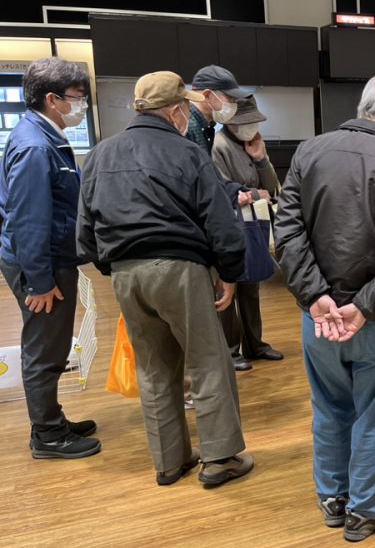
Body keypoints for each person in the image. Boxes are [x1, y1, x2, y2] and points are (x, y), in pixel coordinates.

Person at [77, 71, 254, 488]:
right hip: (179, 268)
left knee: (154, 368)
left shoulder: (100, 154)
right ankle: (220, 459)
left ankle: (170, 461)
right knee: (207, 361)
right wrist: (229, 273)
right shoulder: (187, 152)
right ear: (176, 111)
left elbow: (84, 230)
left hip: (125, 274)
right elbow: (220, 222)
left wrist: (114, 268)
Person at [274, 74, 375, 542]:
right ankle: (367, 509)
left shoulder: (309, 152)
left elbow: (287, 233)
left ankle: (333, 497)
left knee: (329, 407)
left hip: (320, 319)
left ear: (364, 106)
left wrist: (316, 296)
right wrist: (363, 307)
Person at [0, 57, 100, 459]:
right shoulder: (35, 146)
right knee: (45, 350)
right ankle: (48, 435)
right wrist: (40, 281)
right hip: (42, 264)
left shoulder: (45, 135)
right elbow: (28, 219)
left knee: (53, 345)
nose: (82, 105)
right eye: (77, 97)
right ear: (52, 99)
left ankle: (53, 419)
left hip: (50, 258)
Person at [212, 96, 283, 369]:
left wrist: (261, 159)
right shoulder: (218, 145)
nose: (251, 127)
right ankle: (231, 351)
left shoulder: (253, 142)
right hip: (230, 225)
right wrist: (254, 193)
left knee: (251, 285)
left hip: (255, 222)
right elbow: (223, 190)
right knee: (229, 285)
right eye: (246, 122)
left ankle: (255, 344)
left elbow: (272, 188)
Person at [188, 64, 256, 211]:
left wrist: (234, 192)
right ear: (208, 95)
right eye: (230, 98)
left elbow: (210, 179)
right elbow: (194, 186)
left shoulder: (205, 127)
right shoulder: (188, 127)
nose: (233, 104)